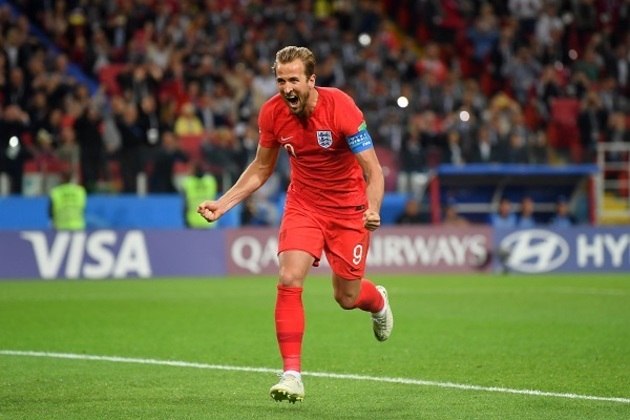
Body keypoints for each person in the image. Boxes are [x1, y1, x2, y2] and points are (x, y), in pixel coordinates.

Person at [197, 46, 393, 403]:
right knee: (289, 277)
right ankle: (292, 374)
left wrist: (373, 207)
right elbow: (261, 168)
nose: (286, 88)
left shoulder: (341, 107)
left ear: (311, 80)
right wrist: (223, 204)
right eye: (280, 80)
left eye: (294, 80)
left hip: (349, 208)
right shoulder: (272, 114)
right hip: (304, 204)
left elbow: (372, 169)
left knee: (346, 297)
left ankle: (377, 300)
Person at [181, 162, 218, 229]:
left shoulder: (188, 182)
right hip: (209, 220)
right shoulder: (211, 180)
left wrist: (185, 220)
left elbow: (185, 204)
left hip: (192, 221)